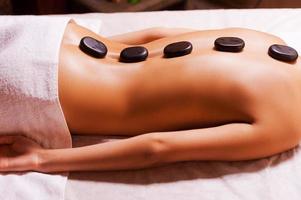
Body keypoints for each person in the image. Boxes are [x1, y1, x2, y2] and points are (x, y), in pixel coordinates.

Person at [0, 20, 300, 173]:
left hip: (54, 35)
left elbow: (156, 33)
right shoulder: (287, 121)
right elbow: (156, 148)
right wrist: (41, 159)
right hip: (44, 83)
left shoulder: (272, 42)